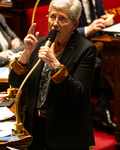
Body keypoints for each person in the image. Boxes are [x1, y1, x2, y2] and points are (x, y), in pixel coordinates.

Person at [9, 0, 96, 149]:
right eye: (52, 17)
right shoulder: (41, 44)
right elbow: (15, 82)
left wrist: (54, 64)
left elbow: (76, 92)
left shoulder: (86, 49)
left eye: (62, 19)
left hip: (67, 133)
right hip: (35, 128)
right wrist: (26, 53)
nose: (55, 23)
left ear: (74, 25)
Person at [77, 0, 116, 129]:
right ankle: (103, 106)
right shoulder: (68, 1)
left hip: (98, 45)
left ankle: (104, 105)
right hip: (77, 49)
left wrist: (109, 21)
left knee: (119, 58)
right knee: (107, 60)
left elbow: (102, 18)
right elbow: (60, 31)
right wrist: (87, 30)